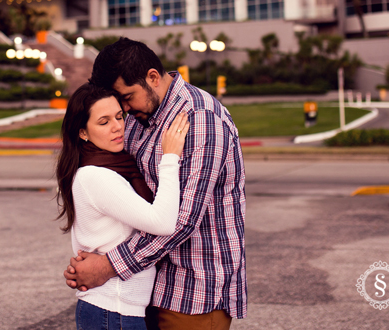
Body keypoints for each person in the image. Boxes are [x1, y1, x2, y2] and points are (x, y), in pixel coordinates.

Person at [64, 37, 247, 330]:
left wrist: (107, 266)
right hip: (143, 287)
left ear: (152, 77)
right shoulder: (138, 116)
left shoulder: (200, 120)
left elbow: (182, 221)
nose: (122, 111)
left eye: (126, 97)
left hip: (192, 290)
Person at [56, 82, 191, 330]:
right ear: (83, 132)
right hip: (113, 312)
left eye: (119, 116)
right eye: (104, 121)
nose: (118, 126)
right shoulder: (96, 177)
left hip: (117, 310)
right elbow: (163, 222)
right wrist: (170, 158)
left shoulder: (114, 167)